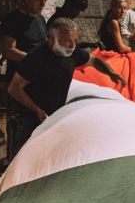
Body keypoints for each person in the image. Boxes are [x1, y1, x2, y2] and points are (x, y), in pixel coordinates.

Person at [8, 18, 126, 157]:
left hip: (52, 119)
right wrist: (36, 109)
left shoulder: (72, 53)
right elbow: (14, 88)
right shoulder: (36, 58)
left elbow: (94, 61)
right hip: (28, 120)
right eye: (66, 41)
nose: (72, 45)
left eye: (74, 40)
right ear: (51, 39)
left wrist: (111, 73)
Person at [0, 0, 49, 81]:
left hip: (39, 77)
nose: (43, 4)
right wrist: (34, 60)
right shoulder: (12, 19)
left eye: (45, 0)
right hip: (19, 79)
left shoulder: (40, 19)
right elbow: (8, 51)